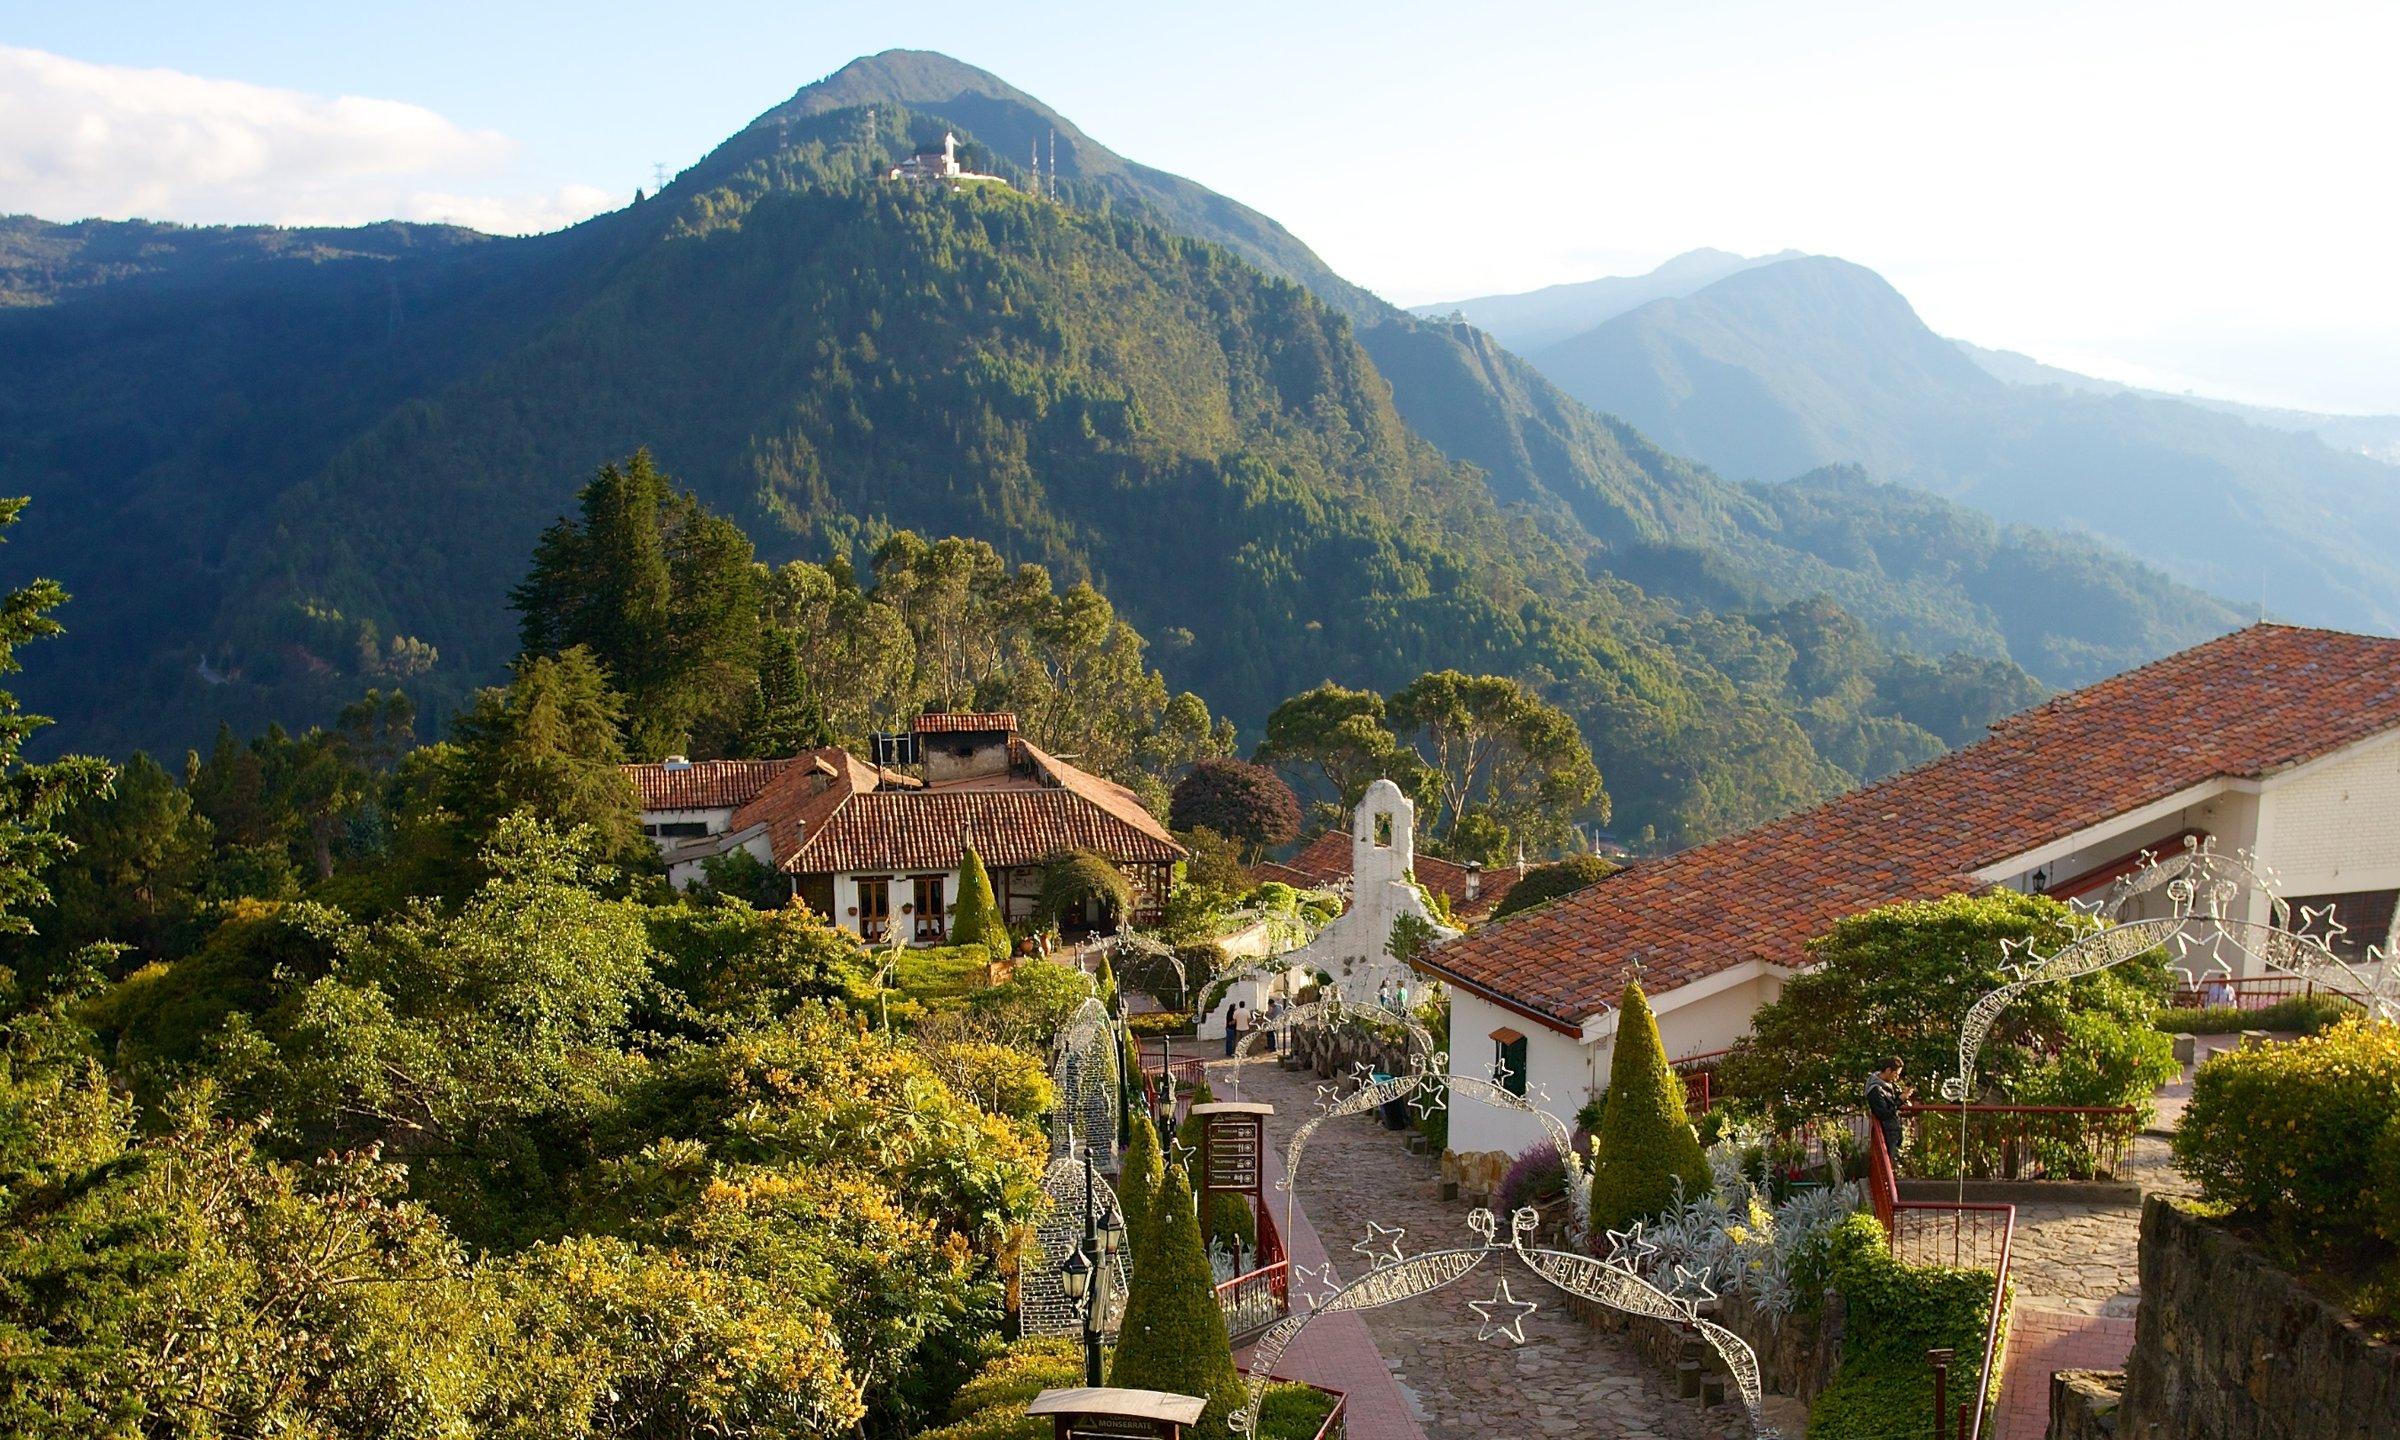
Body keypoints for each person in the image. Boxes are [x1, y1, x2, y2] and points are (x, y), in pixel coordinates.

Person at [1866, 1057, 1909, 1164]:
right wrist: (1899, 1101)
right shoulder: (1876, 1090)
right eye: (1896, 1074)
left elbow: (1889, 1104)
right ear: (1888, 1070)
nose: (1897, 1077)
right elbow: (1884, 1113)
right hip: (1886, 1134)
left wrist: (1901, 1097)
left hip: (1892, 1132)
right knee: (1887, 1164)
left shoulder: (1886, 1086)